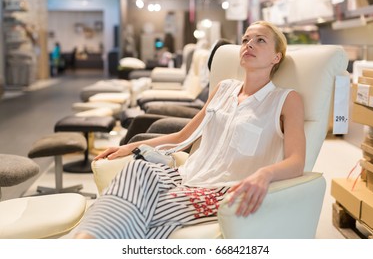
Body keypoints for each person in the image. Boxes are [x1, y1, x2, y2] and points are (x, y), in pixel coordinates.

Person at [73, 21, 306, 239]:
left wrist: (265, 174)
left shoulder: (285, 99)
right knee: (138, 170)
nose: (249, 44)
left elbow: (296, 161)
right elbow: (183, 137)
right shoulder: (224, 88)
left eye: (260, 40)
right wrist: (128, 147)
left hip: (222, 190)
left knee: (147, 208)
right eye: (246, 40)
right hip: (187, 175)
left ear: (277, 57)